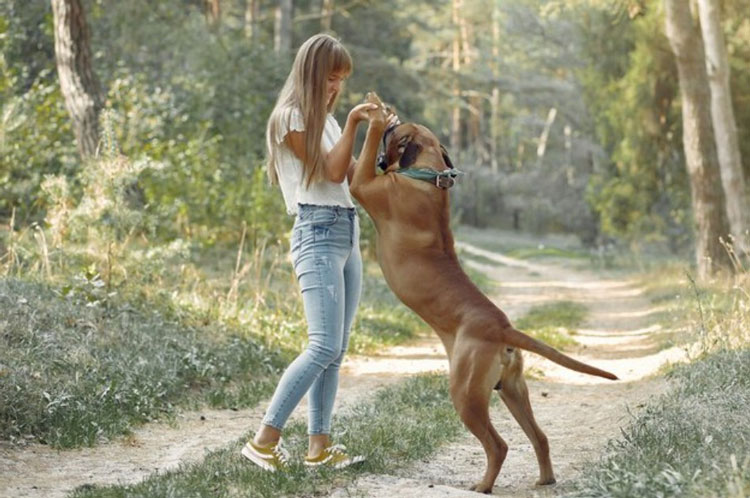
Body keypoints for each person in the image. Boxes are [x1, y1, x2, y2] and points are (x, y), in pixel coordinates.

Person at [241, 33, 390, 471]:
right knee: (322, 344)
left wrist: (375, 130)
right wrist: (352, 126)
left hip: (345, 231)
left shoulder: (326, 121)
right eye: (329, 78)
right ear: (310, 72)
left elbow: (352, 180)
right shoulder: (288, 118)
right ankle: (264, 441)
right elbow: (329, 170)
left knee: (336, 349)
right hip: (316, 231)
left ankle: (319, 448)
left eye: (341, 79)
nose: (335, 88)